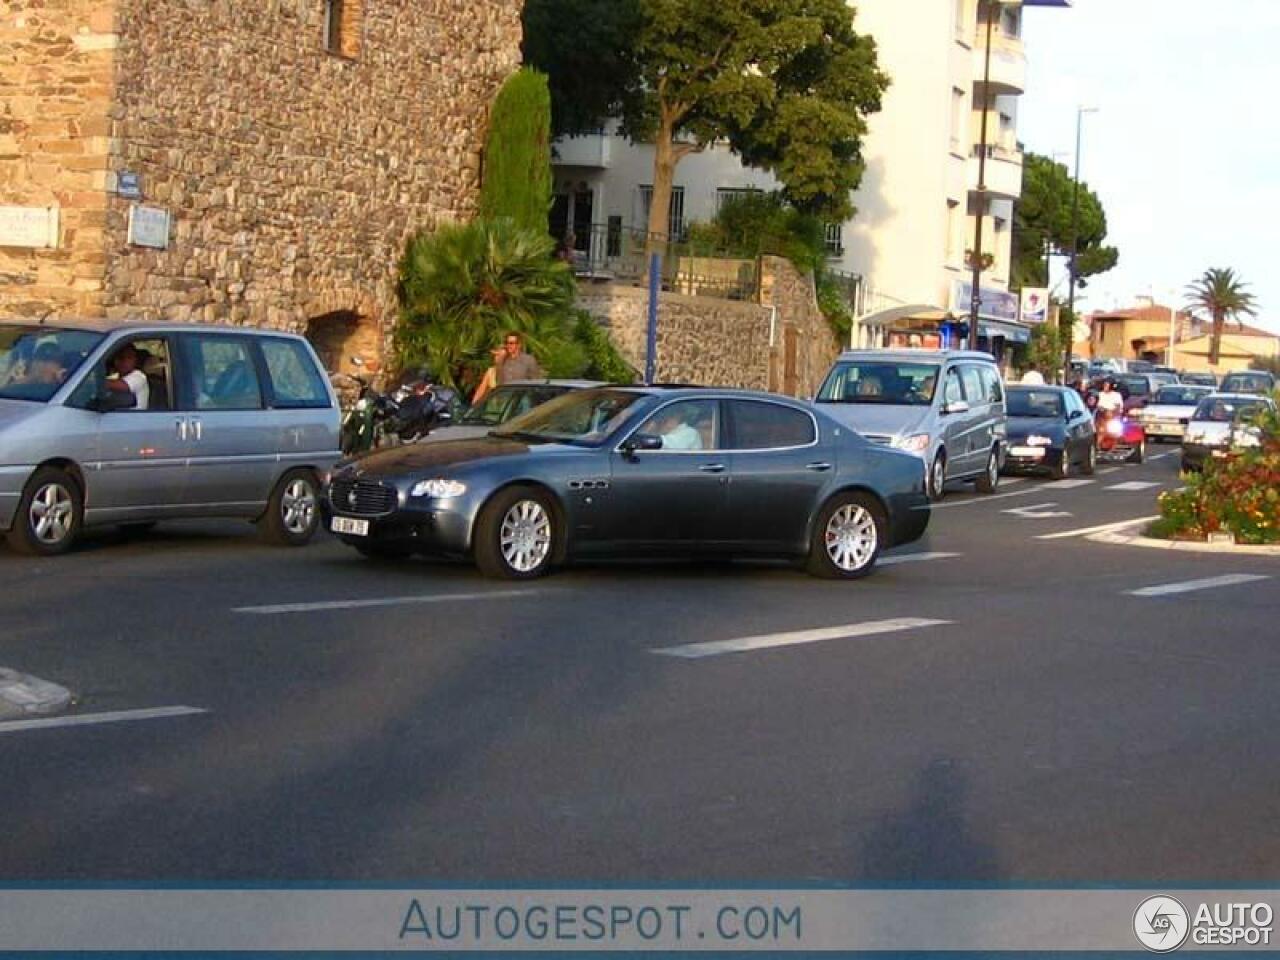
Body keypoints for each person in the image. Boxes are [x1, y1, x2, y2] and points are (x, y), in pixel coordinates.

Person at [105, 343, 149, 409]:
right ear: (114, 360)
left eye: (129, 357)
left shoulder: (139, 376)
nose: (125, 361)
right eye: (120, 357)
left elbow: (122, 385)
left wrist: (94, 383)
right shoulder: (114, 377)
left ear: (135, 360)